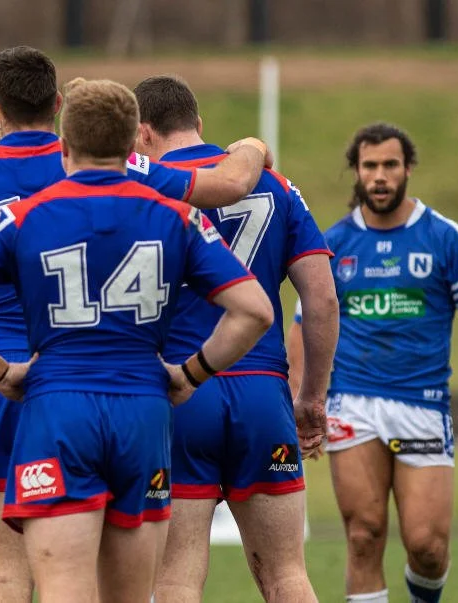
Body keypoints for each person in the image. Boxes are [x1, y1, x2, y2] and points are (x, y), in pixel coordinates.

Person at [0, 47, 273, 601]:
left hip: (39, 395)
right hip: (141, 402)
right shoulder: (160, 197)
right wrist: (191, 374)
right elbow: (248, 272)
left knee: (13, 580)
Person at [130, 75, 336, 603]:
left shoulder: (142, 186)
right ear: (198, 125)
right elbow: (322, 298)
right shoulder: (278, 186)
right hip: (262, 394)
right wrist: (312, 396)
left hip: (178, 390)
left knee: (175, 578)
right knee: (287, 574)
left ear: (144, 133)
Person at [287, 122, 458, 603]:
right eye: (370, 166)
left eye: (390, 165)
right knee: (363, 535)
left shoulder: (447, 240)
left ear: (407, 168)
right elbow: (304, 328)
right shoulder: (335, 244)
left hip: (423, 405)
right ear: (357, 172)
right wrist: (299, 401)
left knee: (427, 546)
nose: (381, 176)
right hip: (353, 403)